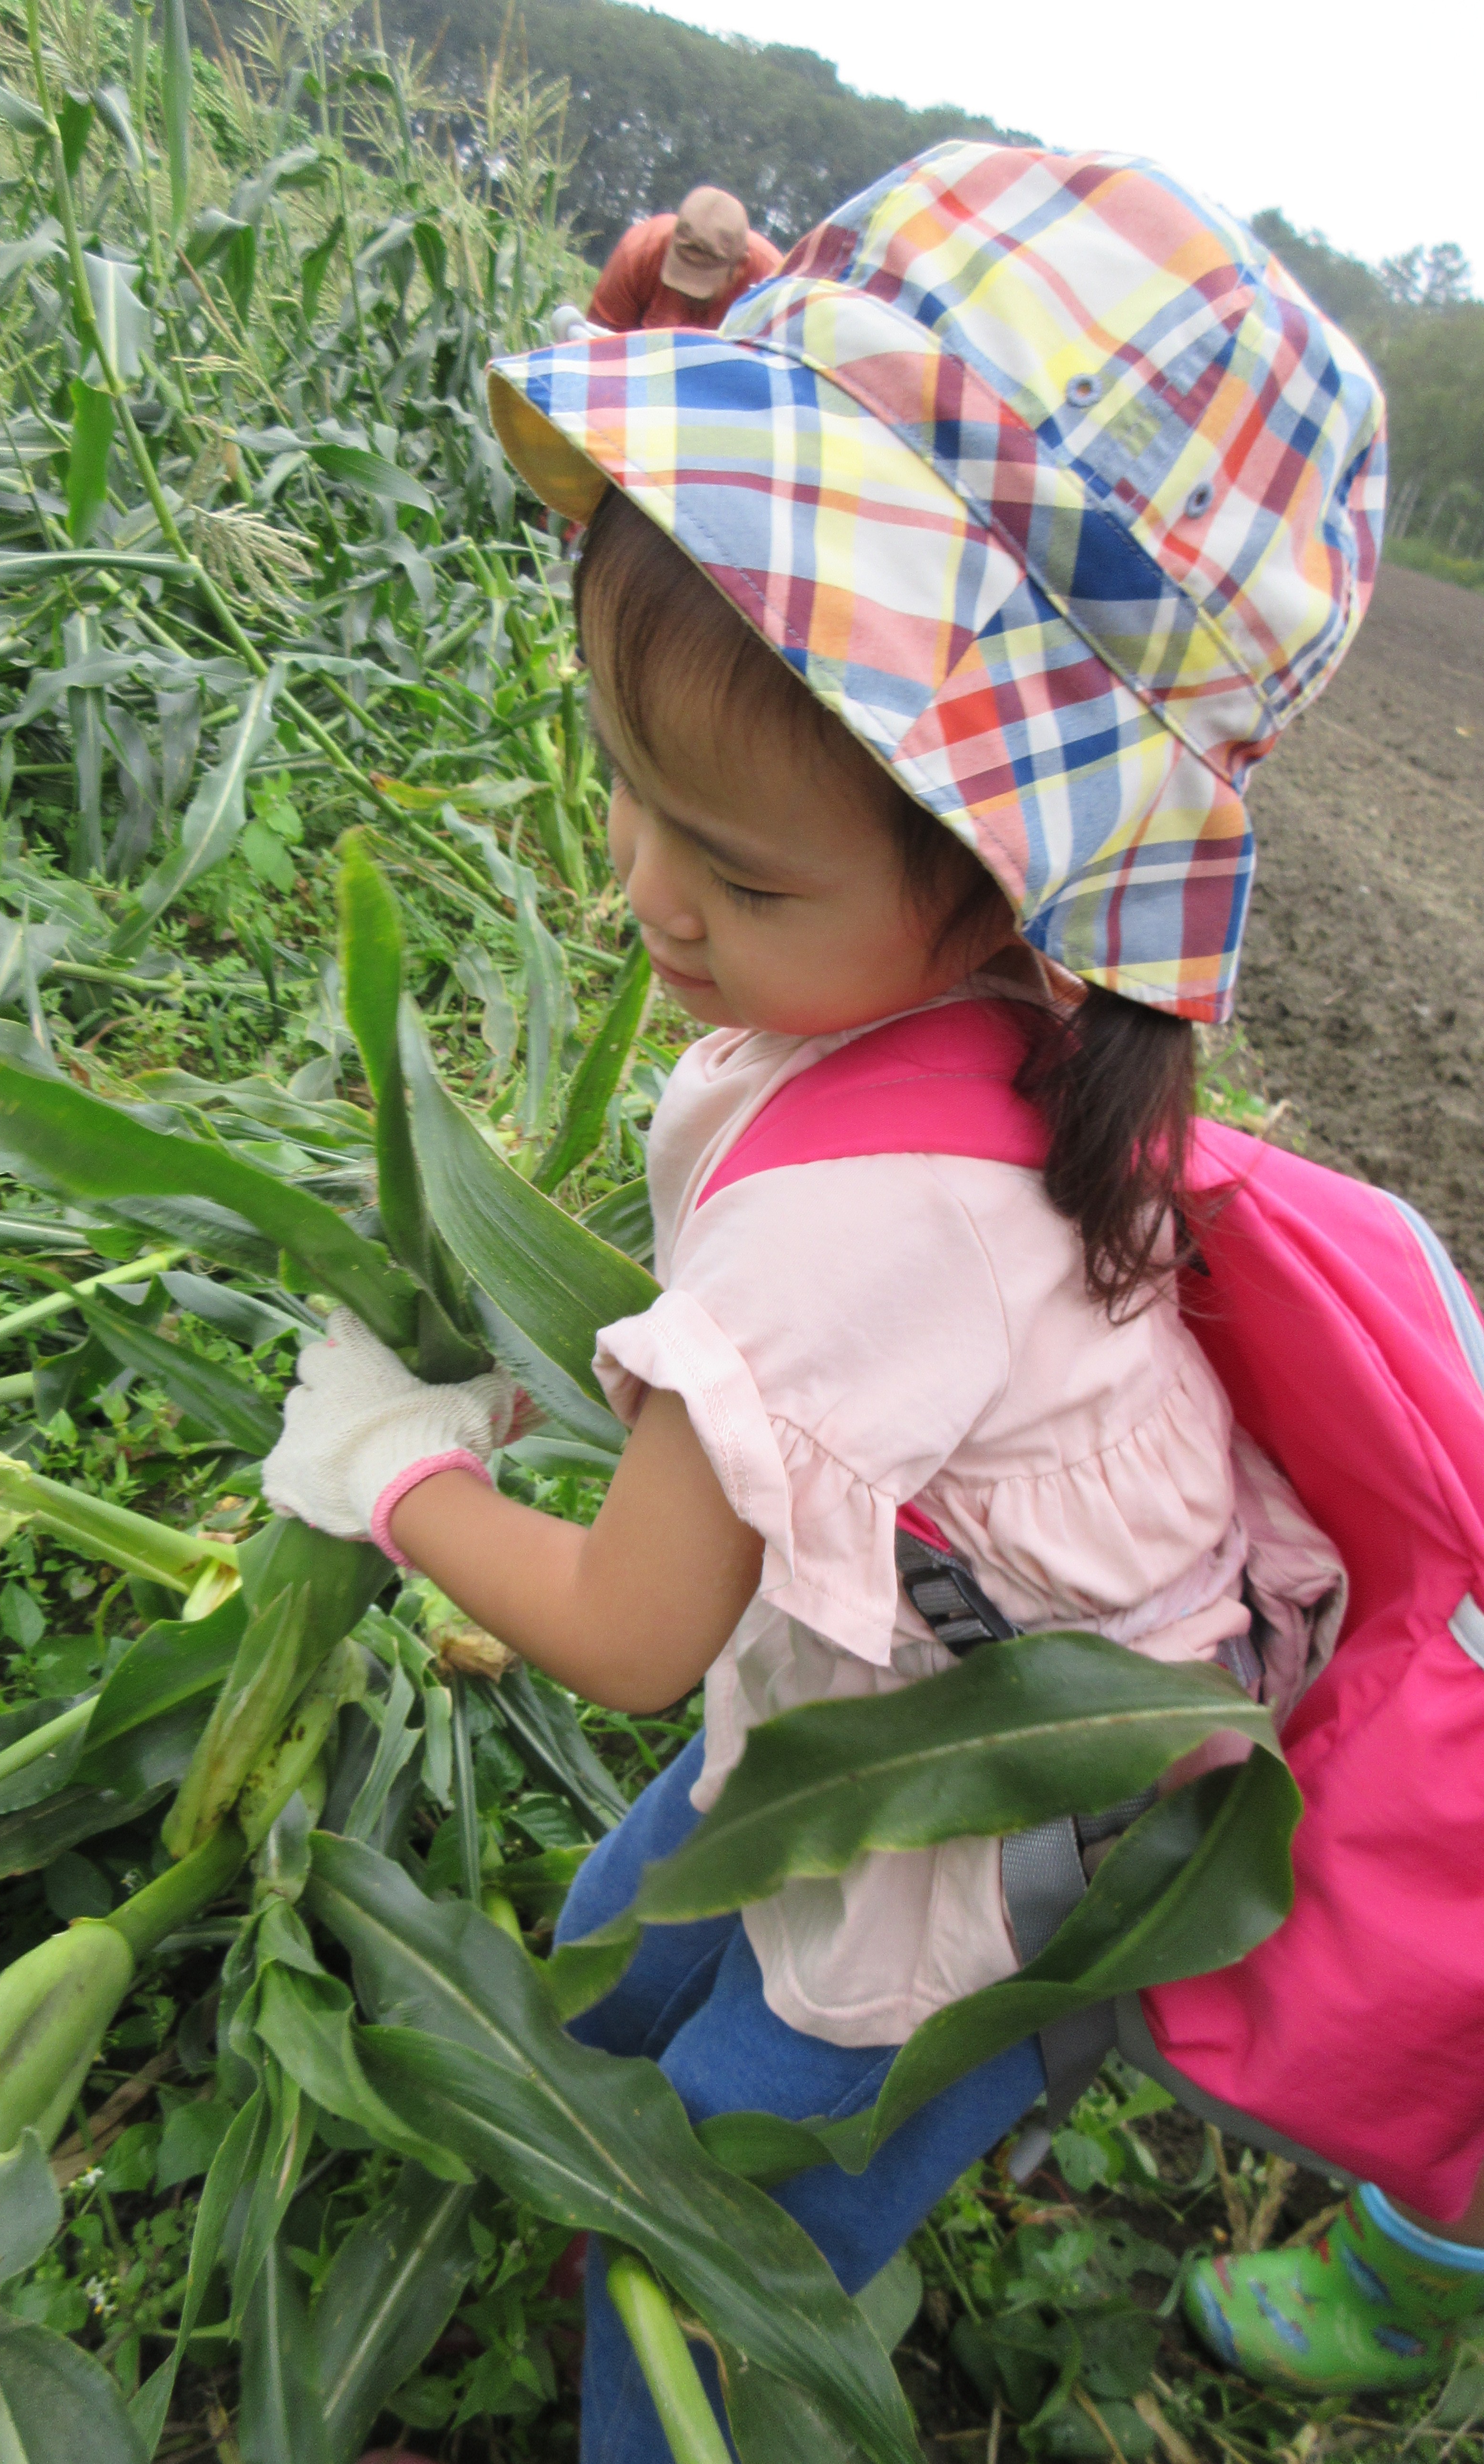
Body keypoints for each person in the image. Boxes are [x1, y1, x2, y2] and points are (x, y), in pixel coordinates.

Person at [263, 145, 1482, 2454]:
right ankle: (559, 2172)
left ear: (1017, 868)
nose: (647, 895)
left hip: (977, 1839)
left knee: (721, 2238)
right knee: (611, 1969)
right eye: (626, 790)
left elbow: (631, 1629)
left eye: (733, 871)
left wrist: (389, 1479)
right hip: (863, 1694)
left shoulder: (876, 1222)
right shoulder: (961, 1006)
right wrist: (697, 301)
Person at [587, 183, 781, 331]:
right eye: (679, 278)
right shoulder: (638, 255)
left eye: (704, 285)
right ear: (670, 245)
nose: (689, 295)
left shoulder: (775, 286)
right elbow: (598, 351)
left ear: (740, 268)